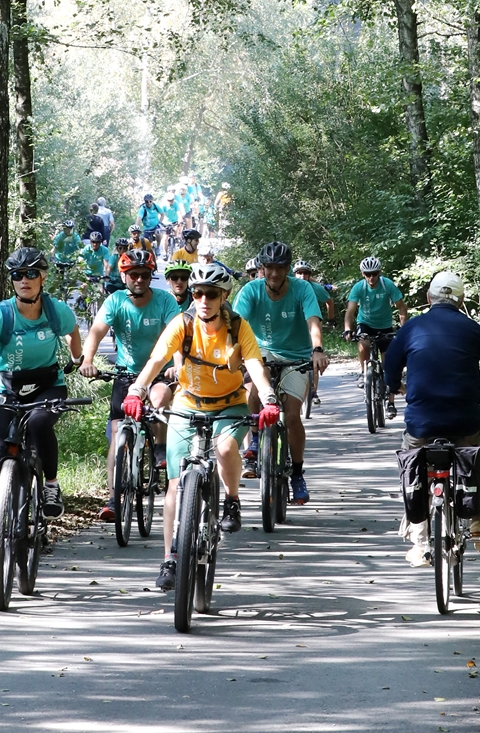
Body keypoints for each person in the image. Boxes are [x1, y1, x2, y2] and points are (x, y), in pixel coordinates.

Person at [121, 262, 278, 591]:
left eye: (210, 294)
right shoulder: (184, 324)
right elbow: (156, 360)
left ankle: (232, 499)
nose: (203, 299)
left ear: (223, 296)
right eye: (197, 293)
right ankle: (169, 558)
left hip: (229, 404)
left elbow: (255, 365)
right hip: (187, 404)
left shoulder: (237, 326)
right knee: (175, 486)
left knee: (224, 447)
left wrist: (269, 399)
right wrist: (136, 391)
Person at [0, 247, 82, 576]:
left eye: (30, 274)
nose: (23, 280)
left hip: (47, 385)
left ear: (42, 277)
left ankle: (51, 484)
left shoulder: (55, 311)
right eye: (16, 275)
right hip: (7, 388)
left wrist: (77, 359)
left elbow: (74, 333)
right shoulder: (1, 314)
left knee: (40, 423)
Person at [383, 270, 480, 561]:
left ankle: (419, 541)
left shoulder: (412, 328)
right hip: (464, 423)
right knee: (475, 455)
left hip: (422, 424)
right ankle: (477, 515)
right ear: (461, 300)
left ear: (428, 298)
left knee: (412, 462)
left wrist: (394, 386)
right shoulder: (473, 330)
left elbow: (389, 367)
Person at [80, 247, 183, 521]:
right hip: (125, 375)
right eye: (134, 274)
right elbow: (96, 332)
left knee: (160, 400)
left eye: (145, 275)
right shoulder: (115, 301)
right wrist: (88, 359)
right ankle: (113, 498)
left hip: (158, 372)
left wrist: (176, 365)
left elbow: (178, 334)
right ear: (124, 276)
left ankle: (159, 447)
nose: (139, 280)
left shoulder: (164, 301)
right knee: (117, 434)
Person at [232, 241, 329, 503]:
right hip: (259, 353)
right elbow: (235, 324)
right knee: (253, 383)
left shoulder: (302, 289)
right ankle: (253, 439)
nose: (274, 274)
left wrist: (317, 349)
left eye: (280, 268)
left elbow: (313, 322)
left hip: (296, 357)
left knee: (293, 415)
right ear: (262, 268)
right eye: (270, 268)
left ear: (287, 269)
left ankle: (297, 473)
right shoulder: (251, 291)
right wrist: (230, 352)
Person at [344, 255, 408, 417]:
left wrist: (403, 328)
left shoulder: (387, 285)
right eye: (367, 274)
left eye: (374, 273)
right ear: (363, 274)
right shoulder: (359, 287)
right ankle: (364, 372)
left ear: (379, 273)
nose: (371, 277)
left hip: (385, 326)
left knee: (389, 366)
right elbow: (350, 311)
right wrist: (347, 329)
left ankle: (391, 403)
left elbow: (401, 307)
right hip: (365, 323)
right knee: (363, 341)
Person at [294, 259, 332, 324]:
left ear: (309, 275)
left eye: (306, 273)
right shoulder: (288, 287)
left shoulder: (317, 288)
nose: (302, 276)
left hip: (312, 322)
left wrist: (331, 319)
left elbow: (329, 301)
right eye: (299, 273)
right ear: (294, 274)